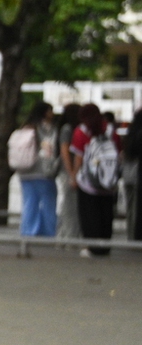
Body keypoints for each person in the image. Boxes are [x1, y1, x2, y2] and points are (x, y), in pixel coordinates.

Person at [69, 103, 118, 256]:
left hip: (88, 182)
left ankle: (92, 247)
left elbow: (79, 158)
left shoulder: (81, 131)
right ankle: (105, 246)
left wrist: (73, 176)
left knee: (89, 215)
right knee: (106, 214)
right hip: (108, 182)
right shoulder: (111, 130)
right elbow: (119, 153)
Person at [9, 102, 62, 239]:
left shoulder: (25, 128)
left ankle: (28, 230)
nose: (52, 113)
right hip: (43, 172)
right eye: (50, 110)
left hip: (25, 171)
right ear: (45, 112)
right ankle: (47, 231)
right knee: (48, 202)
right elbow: (51, 149)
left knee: (29, 203)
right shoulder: (46, 129)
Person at [56, 103, 84, 240]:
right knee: (70, 205)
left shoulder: (70, 128)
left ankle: (64, 235)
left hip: (71, 171)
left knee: (70, 205)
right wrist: (72, 173)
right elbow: (64, 152)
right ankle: (68, 235)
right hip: (69, 171)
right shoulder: (68, 129)